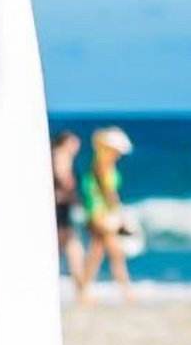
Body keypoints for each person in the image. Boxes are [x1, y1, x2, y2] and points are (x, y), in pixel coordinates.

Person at [77, 124, 136, 302]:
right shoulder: (103, 165)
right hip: (101, 214)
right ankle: (127, 292)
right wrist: (119, 212)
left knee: (96, 253)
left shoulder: (101, 163)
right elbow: (108, 192)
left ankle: (84, 292)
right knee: (115, 254)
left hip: (97, 213)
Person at [52, 129, 86, 284]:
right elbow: (66, 183)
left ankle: (81, 293)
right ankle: (81, 293)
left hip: (62, 210)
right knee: (73, 251)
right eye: (74, 141)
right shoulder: (60, 156)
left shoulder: (59, 156)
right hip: (58, 211)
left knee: (73, 250)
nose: (77, 145)